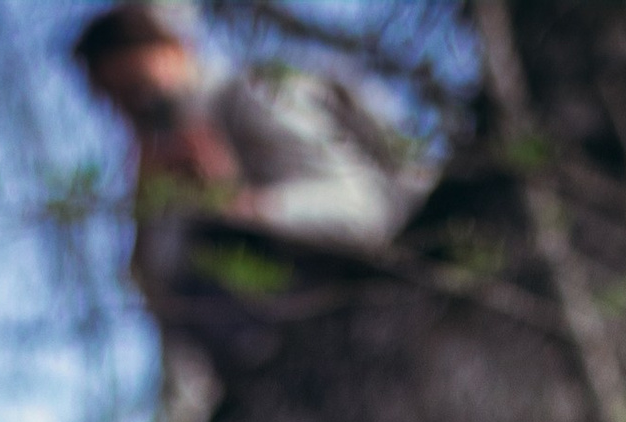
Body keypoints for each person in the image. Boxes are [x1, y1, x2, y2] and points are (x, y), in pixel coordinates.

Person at [72, 2, 429, 392]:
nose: (138, 111)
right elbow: (172, 311)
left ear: (177, 49)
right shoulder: (162, 170)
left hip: (397, 293)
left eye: (140, 89)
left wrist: (244, 208)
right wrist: (153, 223)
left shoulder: (256, 95)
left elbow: (370, 214)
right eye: (120, 103)